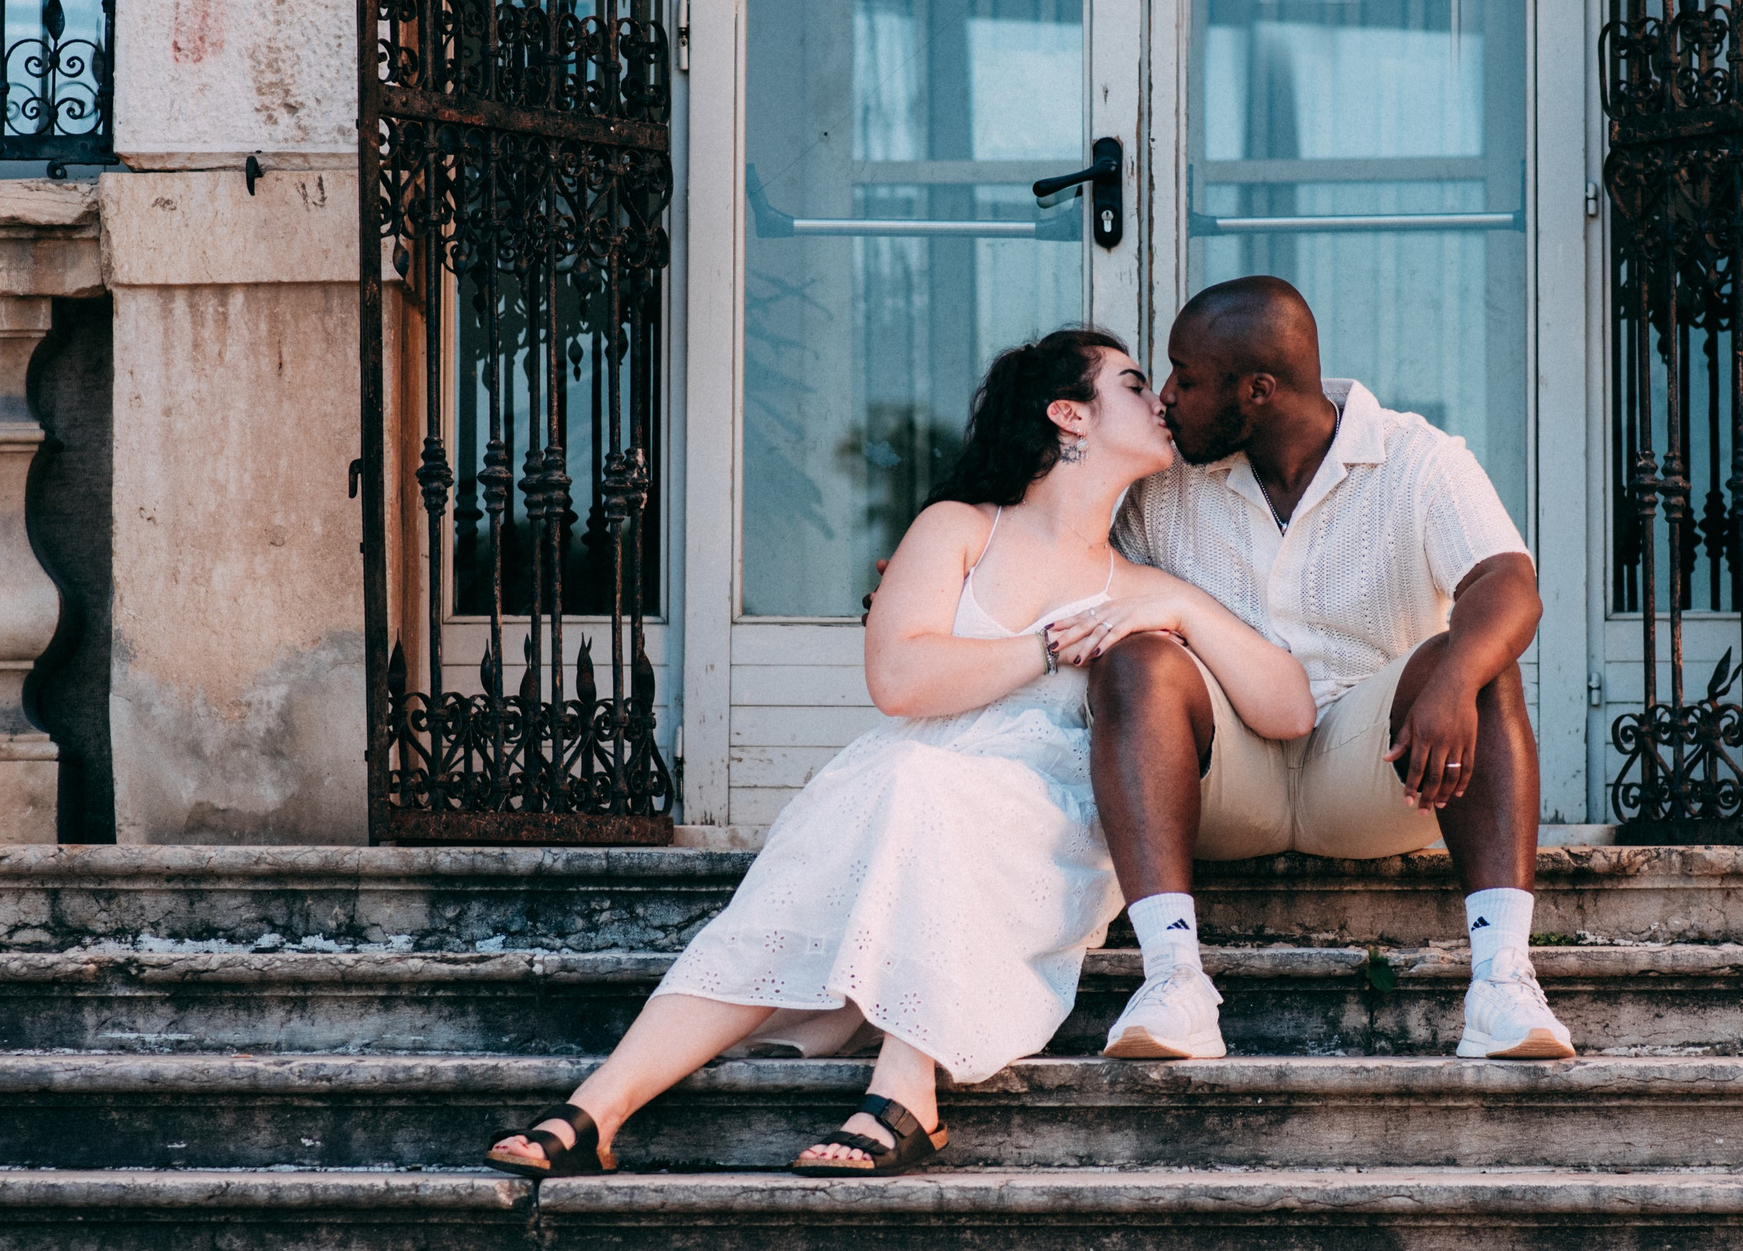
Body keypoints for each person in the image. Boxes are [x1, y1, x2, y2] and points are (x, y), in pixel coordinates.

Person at [481, 328, 1313, 1179]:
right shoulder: (958, 529)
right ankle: (600, 1104)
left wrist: (1181, 616)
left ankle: (907, 1086)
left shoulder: (1138, 584)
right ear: (1070, 415)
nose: (1161, 402)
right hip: (910, 780)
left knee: (929, 791)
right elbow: (901, 677)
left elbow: (1287, 707)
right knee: (857, 835)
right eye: (1135, 385)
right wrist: (1049, 649)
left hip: (1040, 817)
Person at [1079, 274, 1571, 1065]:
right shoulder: (1162, 482)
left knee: (1480, 657)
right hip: (1220, 783)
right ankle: (1174, 984)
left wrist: (1448, 682)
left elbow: (1508, 582)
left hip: (1379, 771)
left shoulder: (1415, 456)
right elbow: (1070, 572)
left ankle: (1503, 982)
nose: (1164, 396)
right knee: (1135, 660)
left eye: (1187, 377)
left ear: (1260, 391)